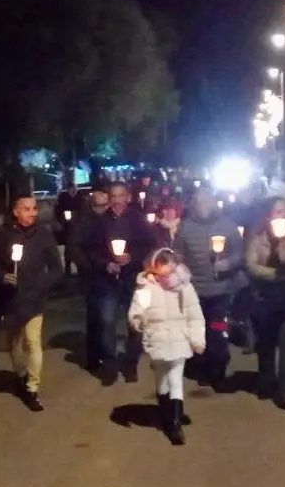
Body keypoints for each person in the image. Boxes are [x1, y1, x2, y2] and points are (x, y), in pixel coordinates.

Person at [0, 193, 62, 411]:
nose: (31, 213)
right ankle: (21, 375)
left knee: (33, 342)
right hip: (11, 298)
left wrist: (42, 283)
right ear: (16, 212)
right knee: (15, 345)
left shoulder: (44, 235)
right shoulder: (4, 235)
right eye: (26, 209)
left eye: (34, 209)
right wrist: (2, 276)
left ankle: (32, 387)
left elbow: (56, 268)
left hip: (34, 298)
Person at [81, 181, 157, 385]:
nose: (117, 200)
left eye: (121, 195)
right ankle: (110, 363)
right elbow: (90, 249)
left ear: (128, 197)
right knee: (106, 322)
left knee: (136, 323)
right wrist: (105, 264)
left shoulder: (138, 219)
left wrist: (133, 257)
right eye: (113, 196)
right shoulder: (100, 221)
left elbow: (150, 244)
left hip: (134, 278)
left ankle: (130, 363)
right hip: (108, 280)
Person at [129, 248, 206, 445]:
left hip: (179, 338)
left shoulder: (184, 287)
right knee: (162, 379)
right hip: (157, 339)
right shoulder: (146, 287)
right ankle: (165, 412)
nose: (166, 276)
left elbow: (194, 315)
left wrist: (197, 340)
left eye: (169, 270)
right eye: (161, 271)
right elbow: (137, 311)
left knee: (175, 379)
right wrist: (138, 321)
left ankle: (175, 424)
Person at [174, 187, 243, 391]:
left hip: (221, 291)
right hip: (194, 292)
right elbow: (177, 255)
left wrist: (227, 264)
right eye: (198, 202)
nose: (201, 206)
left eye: (206, 202)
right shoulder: (185, 228)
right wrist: (181, 273)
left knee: (218, 332)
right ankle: (202, 369)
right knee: (198, 333)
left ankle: (219, 369)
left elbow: (239, 253)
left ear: (213, 203)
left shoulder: (228, 226)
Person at [244, 198, 285, 409]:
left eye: (284, 211)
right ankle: (266, 381)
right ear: (268, 216)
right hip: (265, 297)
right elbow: (251, 265)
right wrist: (277, 275)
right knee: (266, 343)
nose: (280, 216)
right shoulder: (258, 237)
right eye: (276, 212)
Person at [70, 187, 112, 371]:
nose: (103, 209)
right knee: (95, 316)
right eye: (99, 205)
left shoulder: (110, 219)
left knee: (106, 316)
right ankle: (94, 356)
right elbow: (74, 248)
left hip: (110, 272)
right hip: (92, 274)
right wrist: (87, 266)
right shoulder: (83, 222)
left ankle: (107, 351)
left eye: (105, 205)